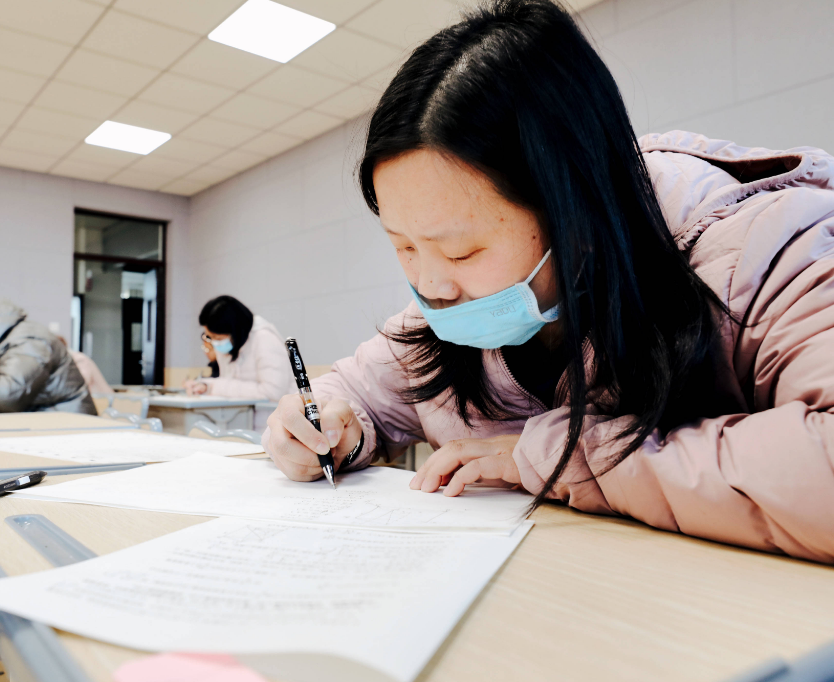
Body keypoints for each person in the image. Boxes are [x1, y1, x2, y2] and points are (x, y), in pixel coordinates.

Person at [263, 0, 834, 563]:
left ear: (575, 213)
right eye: (404, 247)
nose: (431, 284)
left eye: (461, 250)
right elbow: (354, 394)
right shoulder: (442, 316)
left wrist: (568, 459)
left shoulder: (763, 253)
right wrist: (330, 429)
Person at [184, 296, 293, 401]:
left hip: (273, 416)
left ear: (235, 331)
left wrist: (214, 386)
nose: (214, 343)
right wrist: (205, 386)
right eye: (210, 337)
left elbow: (273, 393)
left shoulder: (265, 339)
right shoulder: (229, 345)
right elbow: (228, 386)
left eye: (218, 338)